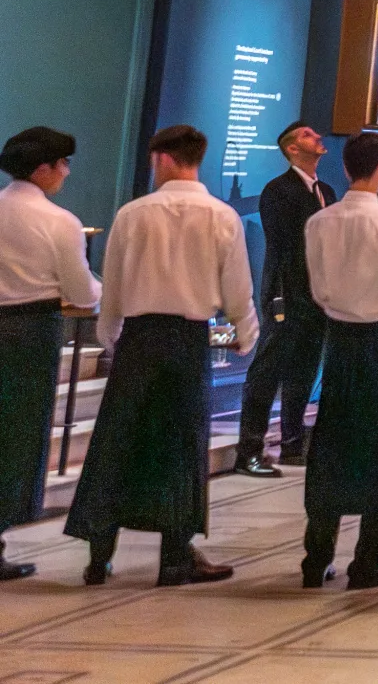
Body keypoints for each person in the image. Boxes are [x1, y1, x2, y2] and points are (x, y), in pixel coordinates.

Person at [66, 125, 256, 587]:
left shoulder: (133, 214)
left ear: (163, 159)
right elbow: (238, 287)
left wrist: (110, 334)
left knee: (118, 440)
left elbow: (113, 285)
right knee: (182, 445)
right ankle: (174, 557)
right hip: (189, 340)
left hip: (140, 338)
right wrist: (246, 334)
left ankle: (99, 555)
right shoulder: (222, 216)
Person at [300, 130, 378, 590]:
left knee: (333, 445)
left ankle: (315, 558)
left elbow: (318, 290)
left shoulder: (319, 223)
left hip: (339, 345)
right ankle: (368, 558)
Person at [0, 127, 101, 580]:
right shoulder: (59, 221)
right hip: (30, 332)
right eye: (63, 164)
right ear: (43, 170)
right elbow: (81, 290)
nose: (66, 172)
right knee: (17, 435)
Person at [236, 121, 336, 476]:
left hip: (317, 296)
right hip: (286, 292)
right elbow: (287, 245)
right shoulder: (278, 190)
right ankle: (249, 447)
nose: (317, 137)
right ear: (292, 148)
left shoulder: (326, 190)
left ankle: (293, 443)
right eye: (309, 135)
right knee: (268, 369)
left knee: (304, 370)